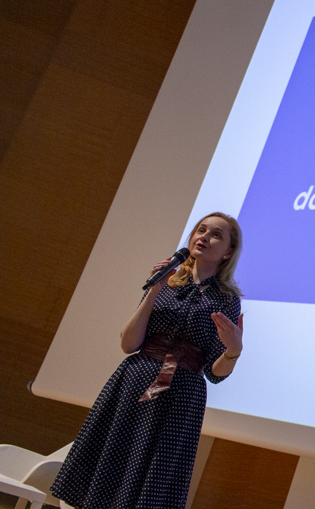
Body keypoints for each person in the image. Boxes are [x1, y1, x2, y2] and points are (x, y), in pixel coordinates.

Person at [51, 212, 245, 509]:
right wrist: (154, 289)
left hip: (180, 397)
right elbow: (128, 344)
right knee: (113, 461)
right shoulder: (167, 282)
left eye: (216, 235)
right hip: (135, 381)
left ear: (228, 252)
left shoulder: (227, 300)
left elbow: (215, 373)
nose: (204, 237)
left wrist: (233, 350)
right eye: (201, 230)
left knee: (152, 475)